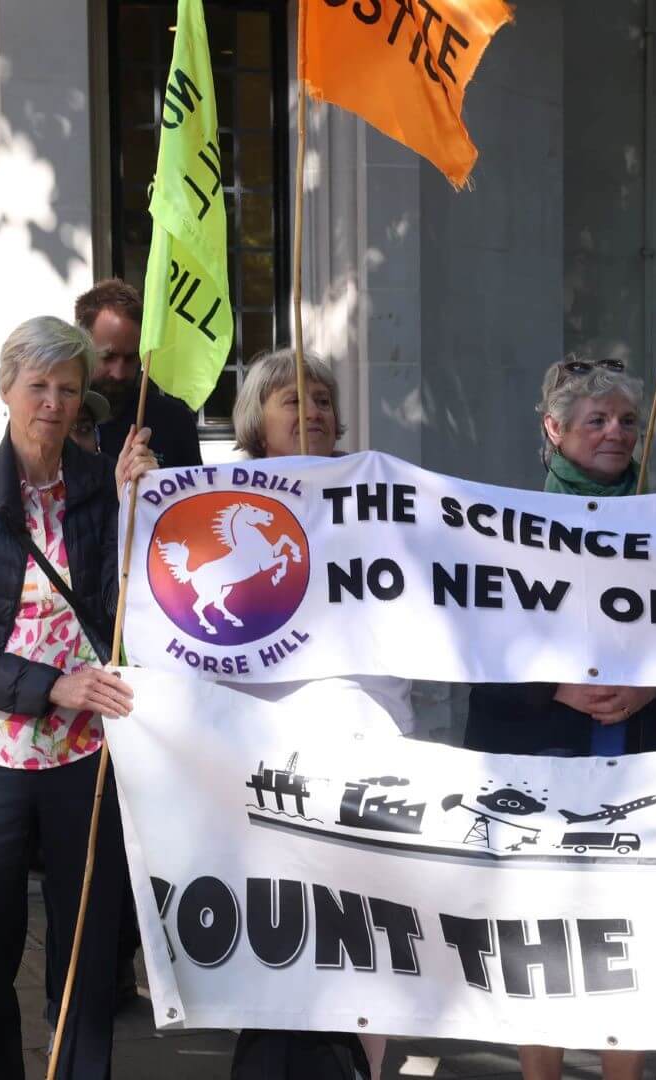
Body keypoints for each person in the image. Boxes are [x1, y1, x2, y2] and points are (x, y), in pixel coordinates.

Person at [0, 316, 154, 1080]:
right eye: (38, 386)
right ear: (6, 390)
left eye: (68, 387)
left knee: (87, 956)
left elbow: (137, 606)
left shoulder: (101, 493)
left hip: (87, 758)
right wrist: (51, 685)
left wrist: (141, 511)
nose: (52, 403)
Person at [463, 357, 656, 1080]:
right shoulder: (505, 531)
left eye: (627, 421)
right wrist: (557, 691)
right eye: (597, 419)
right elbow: (475, 649)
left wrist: (652, 690)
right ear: (554, 428)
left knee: (631, 936)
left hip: (642, 754)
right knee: (539, 936)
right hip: (541, 755)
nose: (615, 433)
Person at [225, 348, 410, 1080]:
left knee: (374, 939)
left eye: (324, 400)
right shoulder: (217, 502)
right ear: (257, 425)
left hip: (373, 741)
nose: (313, 412)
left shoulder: (383, 496)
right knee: (281, 935)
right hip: (269, 759)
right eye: (291, 401)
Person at [75, 278, 203, 468]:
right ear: (82, 348)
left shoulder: (174, 421)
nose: (119, 373)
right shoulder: (58, 416)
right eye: (108, 357)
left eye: (131, 358)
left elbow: (195, 496)